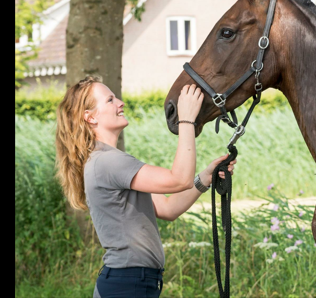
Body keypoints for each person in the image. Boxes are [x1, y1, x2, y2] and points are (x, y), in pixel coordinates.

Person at [54, 76, 235, 298]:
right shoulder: (107, 162)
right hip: (128, 285)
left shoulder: (109, 160)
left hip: (133, 283)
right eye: (110, 100)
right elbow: (179, 179)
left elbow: (167, 209)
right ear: (90, 117)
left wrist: (205, 178)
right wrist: (186, 121)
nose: (120, 103)